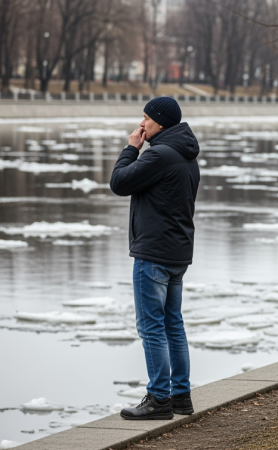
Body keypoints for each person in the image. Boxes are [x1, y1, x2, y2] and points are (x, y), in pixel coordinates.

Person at [110, 97, 201, 420]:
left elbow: (119, 182)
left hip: (153, 254)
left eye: (146, 118)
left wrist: (131, 148)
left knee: (151, 327)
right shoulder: (187, 156)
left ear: (160, 123)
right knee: (173, 325)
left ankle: (159, 399)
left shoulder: (160, 154)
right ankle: (181, 396)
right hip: (177, 253)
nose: (142, 123)